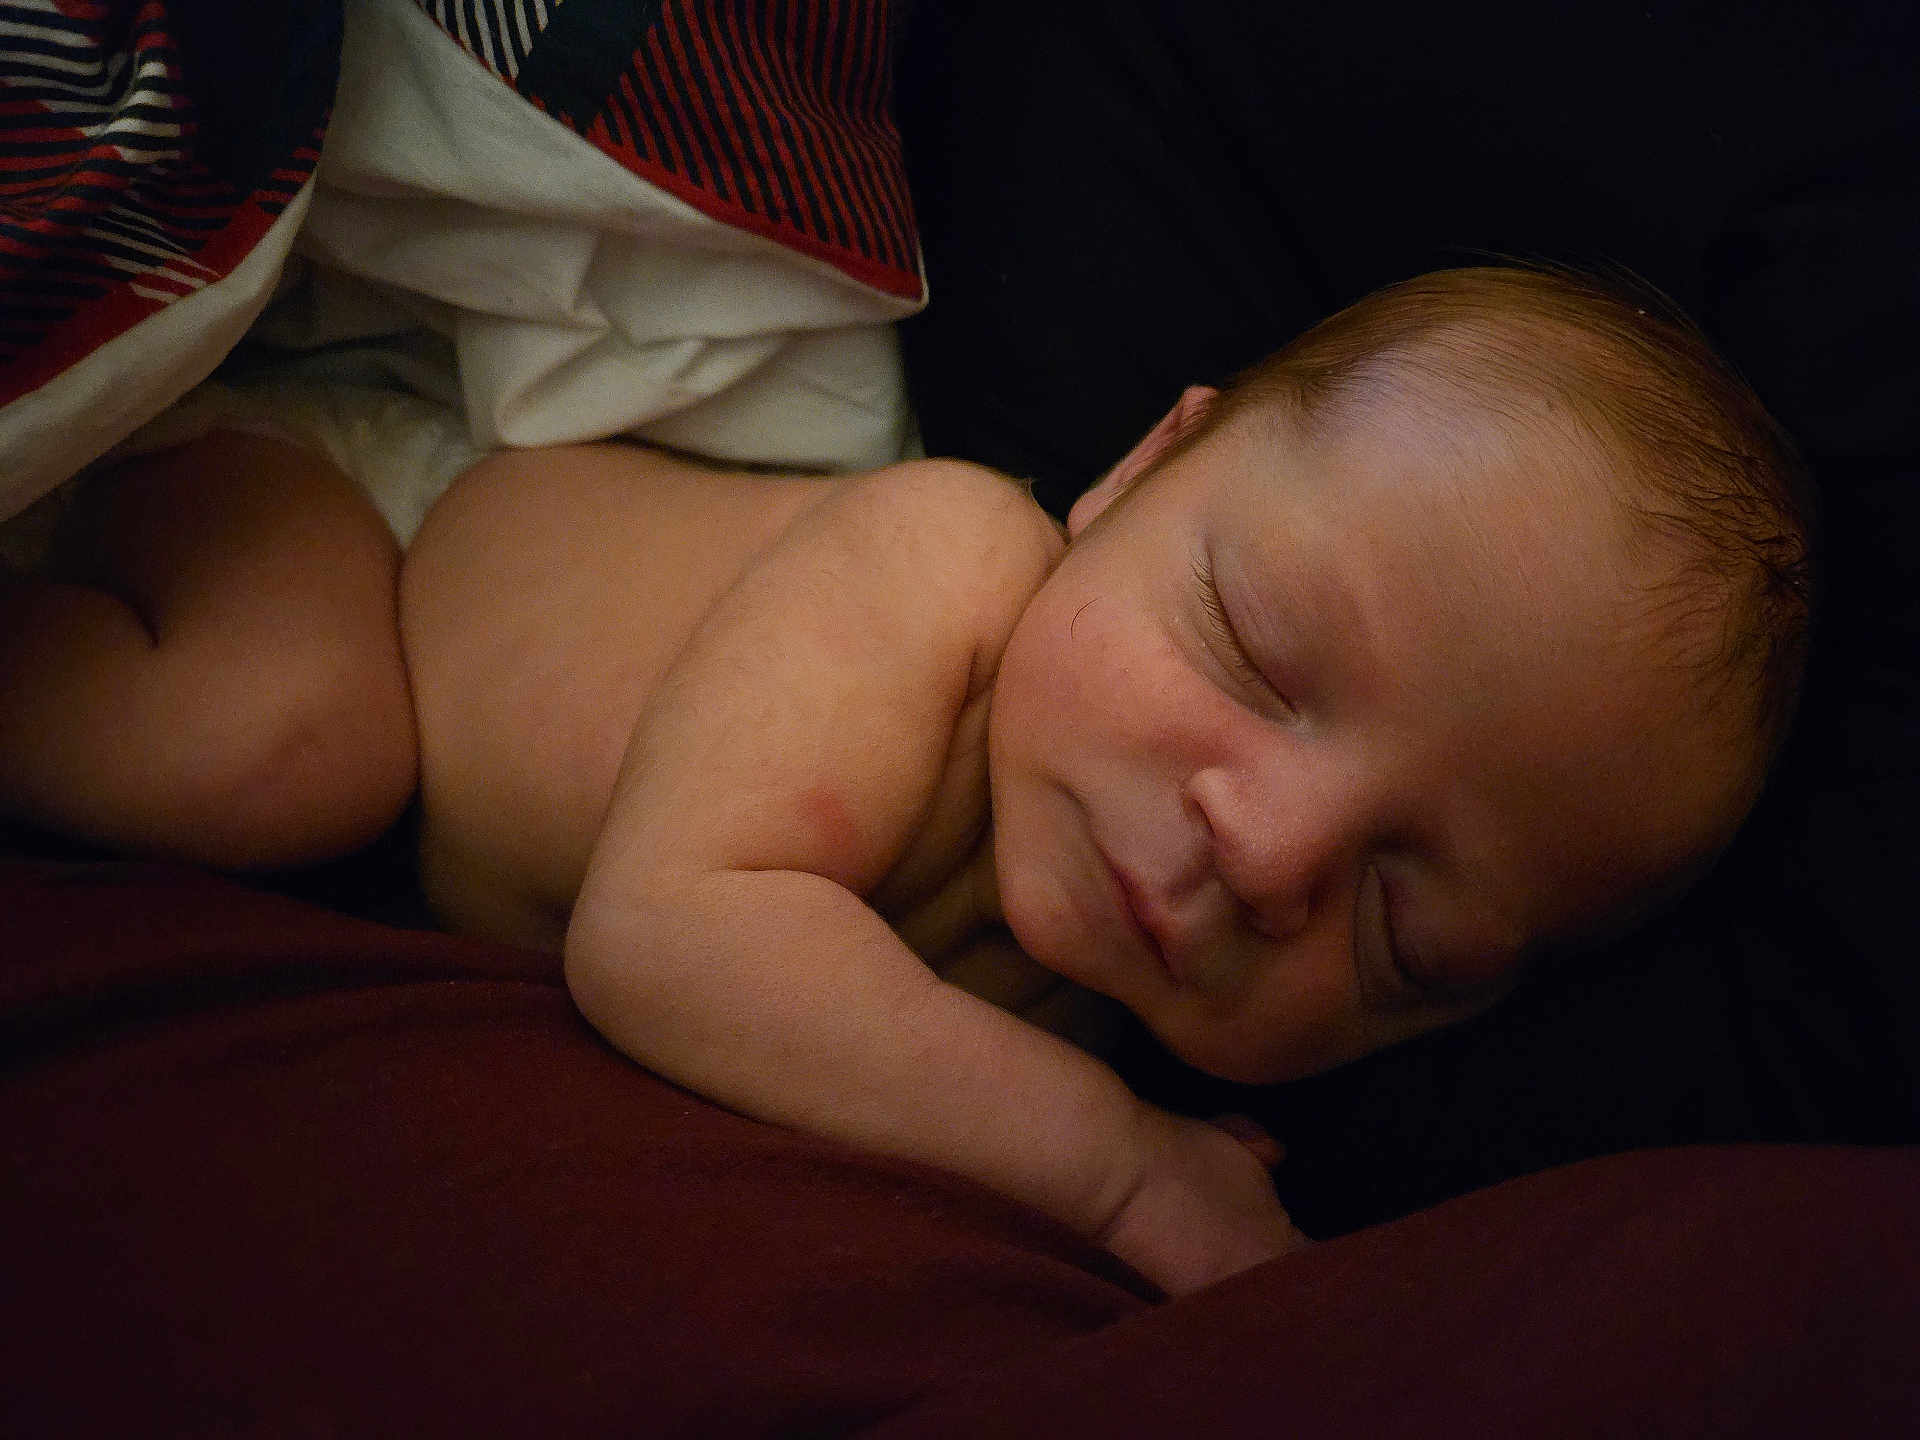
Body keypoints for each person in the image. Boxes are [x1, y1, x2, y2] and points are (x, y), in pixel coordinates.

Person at [0, 266, 1814, 1295]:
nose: (1269, 854)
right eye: (1257, 651)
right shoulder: (940, 562)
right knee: (280, 744)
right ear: (1138, 474)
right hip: (348, 522)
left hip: (399, 855)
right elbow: (670, 932)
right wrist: (1117, 1177)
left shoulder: (1082, 1010)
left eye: (1409, 933)